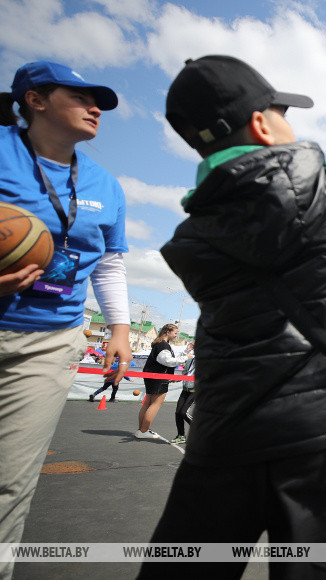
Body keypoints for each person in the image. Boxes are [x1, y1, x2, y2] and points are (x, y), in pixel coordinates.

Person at [139, 55, 326, 578]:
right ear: (261, 124)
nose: (291, 125)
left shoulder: (193, 238)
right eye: (283, 114)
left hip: (222, 436)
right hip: (324, 443)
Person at [0, 61, 131, 578]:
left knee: (11, 480)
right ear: (35, 100)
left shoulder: (107, 185)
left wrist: (120, 328)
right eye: (81, 96)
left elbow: (112, 260)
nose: (96, 107)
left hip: (50, 339)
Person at [135, 324, 189, 439]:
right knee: (155, 404)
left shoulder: (159, 344)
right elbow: (167, 361)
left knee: (148, 403)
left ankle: (142, 429)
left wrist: (185, 353)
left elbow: (166, 360)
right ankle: (144, 431)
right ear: (167, 332)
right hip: (158, 377)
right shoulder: (163, 345)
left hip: (153, 376)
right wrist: (185, 357)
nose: (176, 335)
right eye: (175, 333)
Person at [171, 342, 196, 444]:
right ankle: (181, 435)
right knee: (178, 413)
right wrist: (177, 379)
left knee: (183, 412)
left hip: (196, 390)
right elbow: (185, 373)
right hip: (185, 388)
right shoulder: (190, 360)